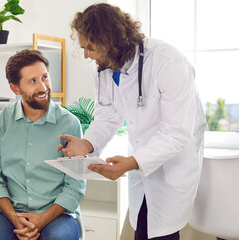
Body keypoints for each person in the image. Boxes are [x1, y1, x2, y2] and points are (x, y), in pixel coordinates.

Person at [58, 3, 206, 240]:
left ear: (109, 40)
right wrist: (86, 144)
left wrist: (132, 162)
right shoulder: (103, 69)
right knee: (143, 230)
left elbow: (176, 133)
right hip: (141, 161)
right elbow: (107, 116)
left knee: (163, 234)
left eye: (90, 47)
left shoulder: (168, 61)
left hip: (172, 161)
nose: (86, 55)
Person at [0, 49, 86, 240]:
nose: (43, 87)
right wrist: (14, 218)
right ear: (15, 89)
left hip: (57, 213)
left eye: (44, 77)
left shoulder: (69, 124)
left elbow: (75, 185)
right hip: (10, 213)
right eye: (32, 81)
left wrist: (43, 219)